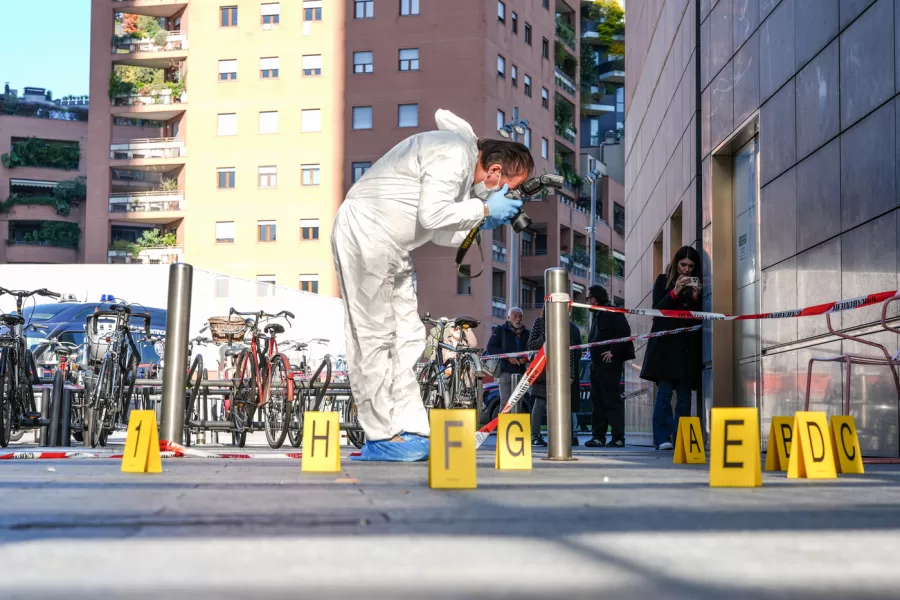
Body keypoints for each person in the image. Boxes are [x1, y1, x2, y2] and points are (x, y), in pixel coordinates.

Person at [332, 109, 534, 461]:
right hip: (366, 233)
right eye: (508, 190)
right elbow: (433, 215)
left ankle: (409, 428)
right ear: (495, 171)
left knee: (409, 336)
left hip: (392, 243)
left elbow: (439, 231)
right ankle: (382, 435)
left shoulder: (459, 164)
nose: (505, 197)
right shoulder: (454, 151)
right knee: (373, 336)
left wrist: (481, 221)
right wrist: (484, 211)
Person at [640, 246, 703, 450]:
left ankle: (682, 438)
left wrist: (695, 297)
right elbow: (658, 308)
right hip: (666, 347)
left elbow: (699, 315)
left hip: (687, 347)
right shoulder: (663, 280)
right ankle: (663, 437)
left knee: (684, 397)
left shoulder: (696, 284)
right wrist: (675, 291)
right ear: (676, 263)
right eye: (683, 265)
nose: (686, 270)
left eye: (691, 266)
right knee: (665, 394)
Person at [583, 285, 633, 448]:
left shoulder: (611, 312)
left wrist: (613, 352)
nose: (588, 302)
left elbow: (624, 333)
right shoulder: (599, 314)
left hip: (609, 365)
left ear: (594, 299)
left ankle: (618, 437)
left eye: (588, 299)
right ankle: (598, 437)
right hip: (597, 365)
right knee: (598, 402)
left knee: (612, 400)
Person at [525, 307, 582, 447]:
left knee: (560, 404)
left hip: (560, 370)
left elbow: (570, 353)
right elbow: (530, 345)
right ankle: (535, 435)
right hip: (542, 370)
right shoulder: (539, 322)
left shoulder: (565, 326)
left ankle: (560, 435)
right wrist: (544, 338)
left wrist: (571, 374)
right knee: (539, 402)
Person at [486, 307, 530, 410]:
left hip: (521, 373)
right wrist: (508, 357)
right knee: (505, 403)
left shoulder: (526, 333)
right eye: (515, 316)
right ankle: (503, 426)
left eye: (520, 316)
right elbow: (491, 347)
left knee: (519, 403)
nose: (518, 319)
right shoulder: (500, 330)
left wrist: (526, 359)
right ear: (509, 317)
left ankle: (515, 425)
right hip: (505, 372)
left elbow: (529, 349)